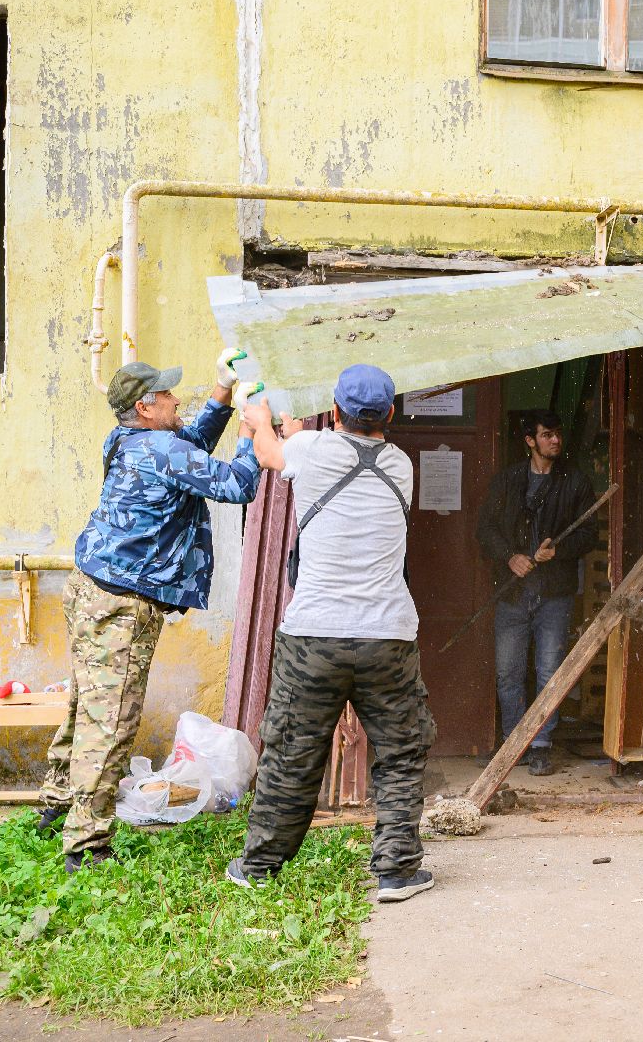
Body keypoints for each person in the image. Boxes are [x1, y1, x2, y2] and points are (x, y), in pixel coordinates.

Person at [39, 351, 260, 873]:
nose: (175, 398)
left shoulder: (130, 441)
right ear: (146, 406)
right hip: (117, 605)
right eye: (167, 394)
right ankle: (85, 844)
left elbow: (188, 446)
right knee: (110, 720)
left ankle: (54, 803)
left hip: (92, 589)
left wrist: (222, 393)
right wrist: (253, 430)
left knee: (88, 706)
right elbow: (237, 485)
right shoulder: (157, 447)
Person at [227, 364, 437, 903]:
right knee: (399, 753)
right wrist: (289, 429)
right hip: (388, 637)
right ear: (389, 414)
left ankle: (259, 867)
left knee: (293, 752)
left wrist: (257, 417)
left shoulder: (312, 451)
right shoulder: (401, 464)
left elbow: (273, 454)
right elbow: (320, 449)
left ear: (336, 411)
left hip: (313, 638)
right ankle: (396, 871)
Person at [475, 410, 597, 777]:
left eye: (557, 434)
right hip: (512, 594)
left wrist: (557, 551)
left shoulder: (575, 483)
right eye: (547, 435)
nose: (555, 440)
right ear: (530, 441)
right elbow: (485, 530)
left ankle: (541, 745)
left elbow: (588, 533)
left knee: (549, 671)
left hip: (554, 594)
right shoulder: (508, 481)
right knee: (509, 672)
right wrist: (509, 557)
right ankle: (515, 743)